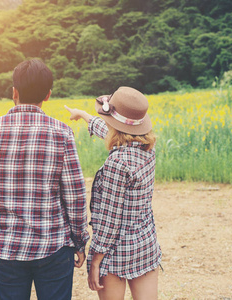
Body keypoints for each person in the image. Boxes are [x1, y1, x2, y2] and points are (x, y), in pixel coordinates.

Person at [0, 59, 90, 300]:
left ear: (14, 92)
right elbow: (75, 195)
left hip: (6, 247)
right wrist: (79, 241)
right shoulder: (62, 133)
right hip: (54, 248)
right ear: (48, 95)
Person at [65, 86, 162, 300]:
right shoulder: (147, 148)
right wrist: (82, 115)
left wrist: (95, 260)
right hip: (144, 244)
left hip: (115, 252)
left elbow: (110, 222)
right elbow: (109, 130)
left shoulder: (117, 163)